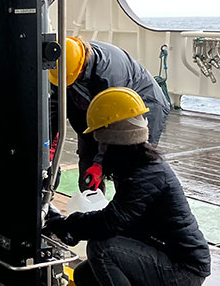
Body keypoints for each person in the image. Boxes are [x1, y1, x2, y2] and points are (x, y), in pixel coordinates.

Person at [43, 87, 210, 286]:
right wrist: (70, 225)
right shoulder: (135, 163)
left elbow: (113, 222)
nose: (98, 146)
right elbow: (123, 221)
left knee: (102, 250)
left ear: (110, 137)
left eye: (101, 140)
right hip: (168, 257)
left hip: (184, 269)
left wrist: (67, 224)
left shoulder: (145, 174)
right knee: (87, 276)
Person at [49, 37, 170, 192]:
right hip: (96, 111)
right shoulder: (63, 66)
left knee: (131, 163)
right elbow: (54, 108)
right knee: (88, 161)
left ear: (81, 68)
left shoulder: (108, 75)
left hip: (142, 107)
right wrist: (47, 150)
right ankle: (92, 209)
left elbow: (114, 126)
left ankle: (130, 208)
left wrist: (100, 164)